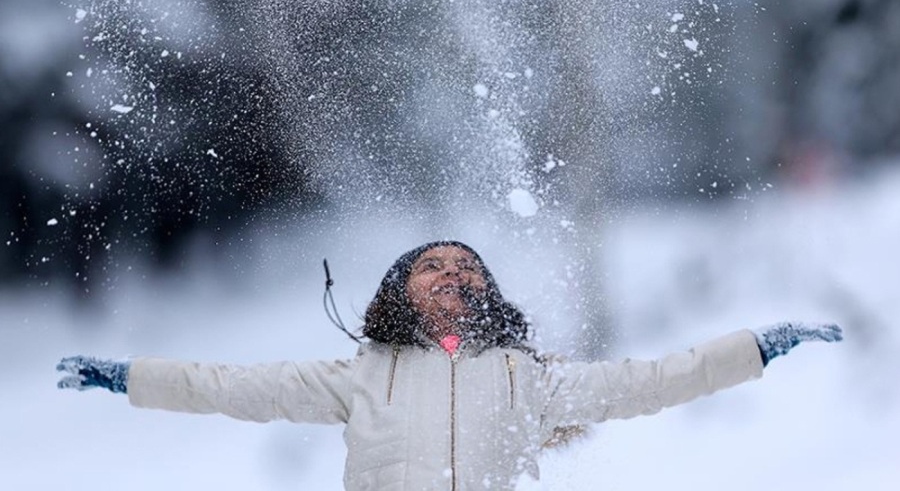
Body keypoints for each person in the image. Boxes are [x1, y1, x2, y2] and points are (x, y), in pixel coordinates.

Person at [57, 240, 843, 490]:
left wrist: (756, 347)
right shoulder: (359, 374)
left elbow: (651, 380)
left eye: (469, 266)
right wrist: (129, 375)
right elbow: (227, 387)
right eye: (433, 264)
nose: (454, 273)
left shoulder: (526, 377)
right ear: (399, 290)